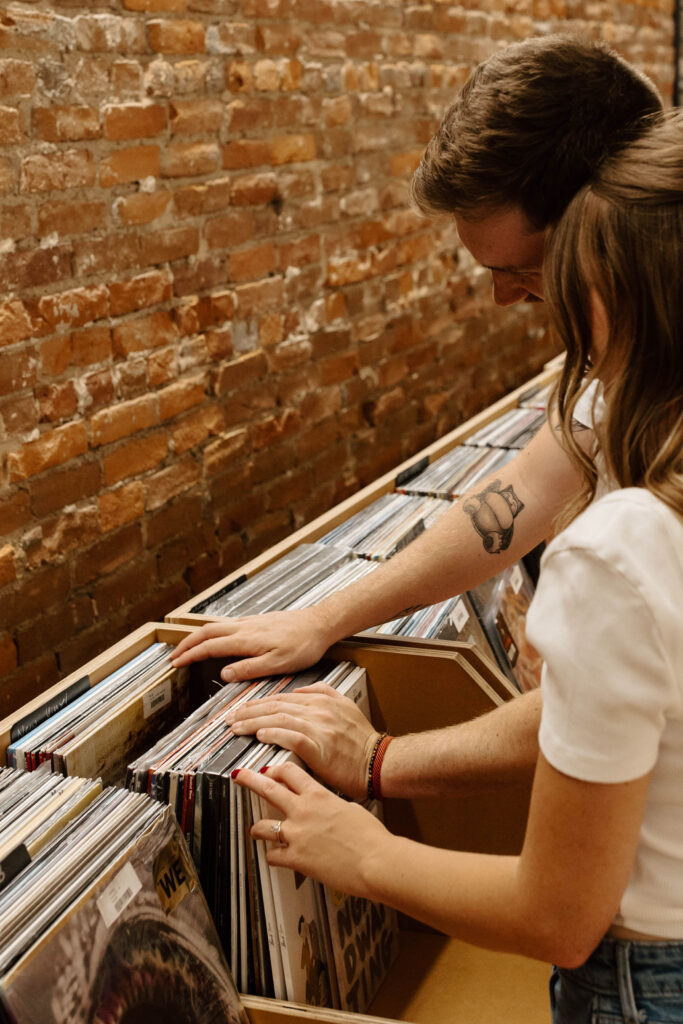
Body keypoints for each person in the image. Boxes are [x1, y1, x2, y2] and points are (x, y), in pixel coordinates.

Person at [229, 112, 683, 1022]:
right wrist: (383, 756)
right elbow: (619, 708)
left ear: (627, 289)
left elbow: (558, 916)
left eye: (539, 275)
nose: (524, 306)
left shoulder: (623, 545)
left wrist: (361, 853)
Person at [171, 34, 662, 699]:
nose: (503, 297)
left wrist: (378, 765)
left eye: (524, 269)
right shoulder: (619, 371)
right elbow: (516, 500)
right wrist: (322, 618)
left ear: (606, 219)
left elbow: (602, 722)